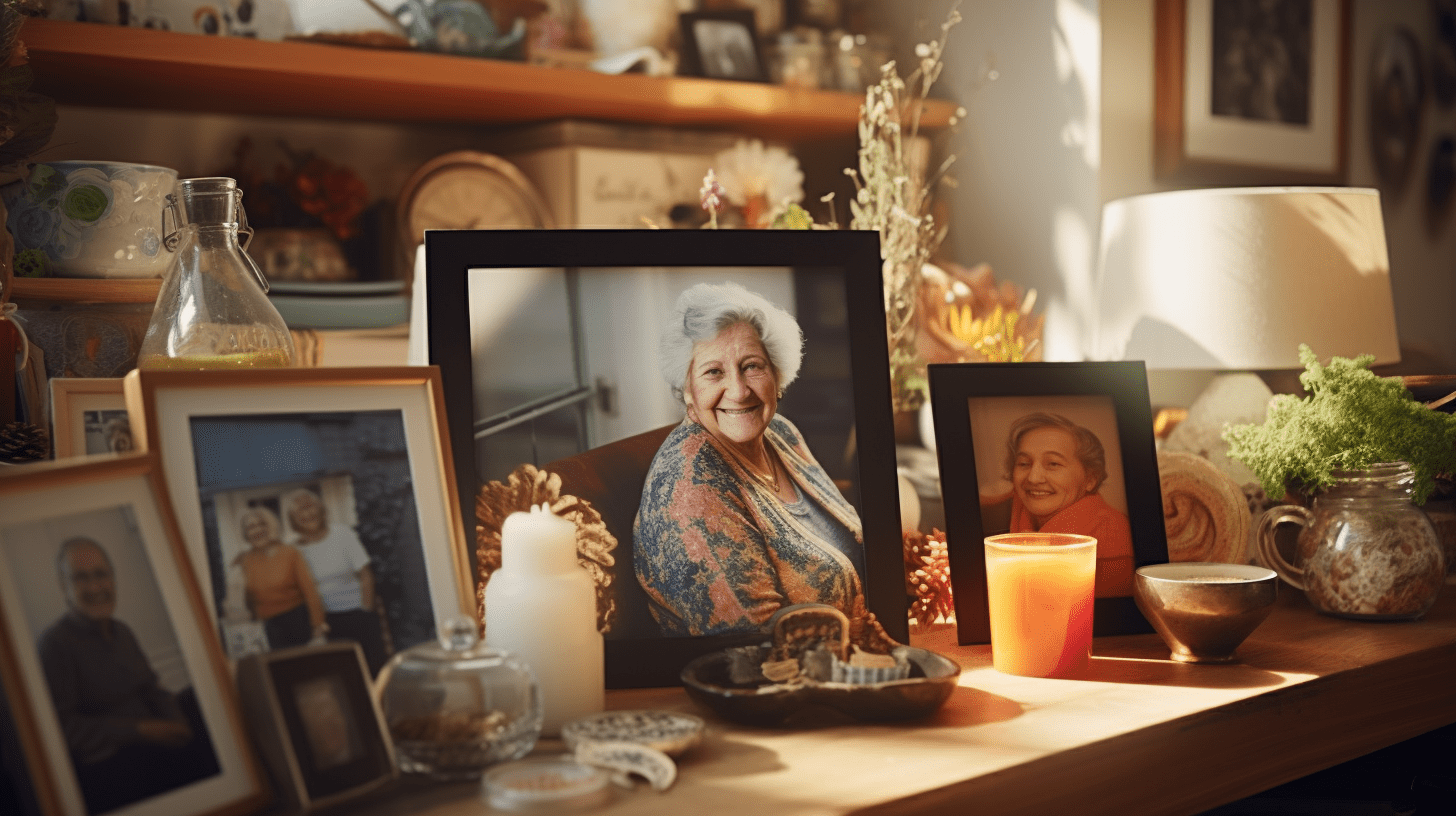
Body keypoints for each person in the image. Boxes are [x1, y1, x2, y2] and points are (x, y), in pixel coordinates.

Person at [634, 282, 866, 637]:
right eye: (714, 372)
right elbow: (750, 641)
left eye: (752, 366)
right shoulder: (691, 488)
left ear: (776, 374)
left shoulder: (780, 433)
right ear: (686, 389)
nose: (740, 391)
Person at [37, 537, 218, 814]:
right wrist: (141, 730)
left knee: (204, 698)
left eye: (101, 575)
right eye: (81, 578)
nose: (96, 587)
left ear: (113, 578)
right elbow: (64, 729)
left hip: (155, 734)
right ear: (65, 587)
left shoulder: (123, 631)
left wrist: (176, 721)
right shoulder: (54, 644)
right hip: (115, 760)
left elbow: (151, 688)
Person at [1004, 412, 1135, 596]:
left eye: (1053, 464)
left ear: (1090, 479)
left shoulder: (1112, 546)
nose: (1033, 478)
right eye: (1024, 463)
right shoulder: (1026, 505)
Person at [283, 488, 389, 674]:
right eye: (300, 511)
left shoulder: (342, 534)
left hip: (358, 613)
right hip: (326, 622)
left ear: (321, 509)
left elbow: (366, 575)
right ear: (293, 519)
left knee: (375, 669)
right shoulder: (294, 549)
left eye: (310, 507)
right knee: (345, 674)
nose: (308, 514)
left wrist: (365, 612)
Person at [232, 505, 328, 650]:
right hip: (265, 627)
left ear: (271, 527)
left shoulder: (290, 553)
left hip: (297, 622)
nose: (256, 530)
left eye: (261, 524)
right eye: (250, 527)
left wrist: (318, 624)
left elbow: (310, 590)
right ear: (246, 533)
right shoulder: (244, 560)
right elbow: (245, 600)